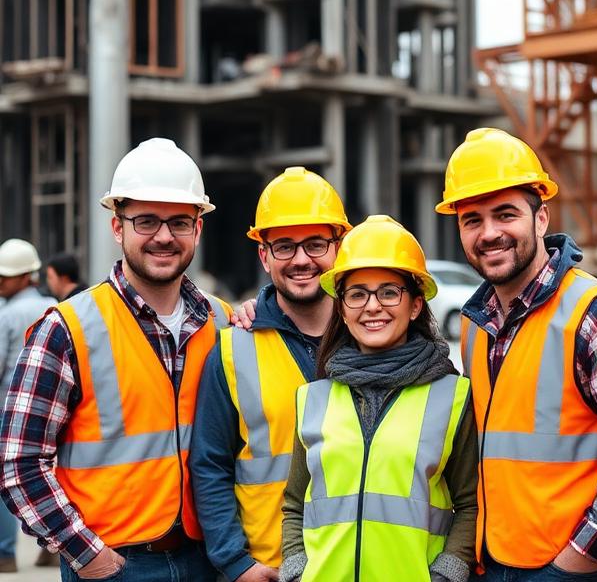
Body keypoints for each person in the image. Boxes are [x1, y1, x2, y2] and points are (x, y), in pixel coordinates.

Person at [0, 138, 232, 582]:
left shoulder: (221, 321)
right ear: (116, 227)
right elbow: (18, 460)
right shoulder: (68, 327)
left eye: (180, 222)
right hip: (116, 565)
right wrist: (87, 555)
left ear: (198, 230)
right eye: (146, 221)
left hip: (209, 559)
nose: (164, 236)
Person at [435, 128, 597, 581]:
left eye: (505, 214)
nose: (489, 233)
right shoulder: (477, 325)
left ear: (541, 218)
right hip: (493, 560)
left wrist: (580, 558)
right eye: (472, 220)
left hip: (569, 569)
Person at [279, 215, 477, 582]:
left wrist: (448, 573)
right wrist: (295, 569)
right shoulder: (313, 399)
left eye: (389, 292)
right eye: (357, 294)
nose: (372, 306)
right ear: (341, 307)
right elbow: (294, 503)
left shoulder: (453, 397)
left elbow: (470, 504)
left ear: (415, 305)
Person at [189, 167, 351, 582]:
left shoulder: (375, 337)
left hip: (357, 561)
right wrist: (235, 562)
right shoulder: (232, 349)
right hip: (269, 569)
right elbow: (210, 465)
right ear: (264, 255)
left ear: (340, 247)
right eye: (284, 246)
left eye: (316, 244)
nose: (301, 260)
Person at [0, 238, 56, 573]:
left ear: (25, 276)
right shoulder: (55, 304)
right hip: (54, 409)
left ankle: (5, 553)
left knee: (7, 481)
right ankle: (50, 545)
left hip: (9, 409)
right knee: (46, 478)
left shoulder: (6, 314)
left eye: (5, 277)